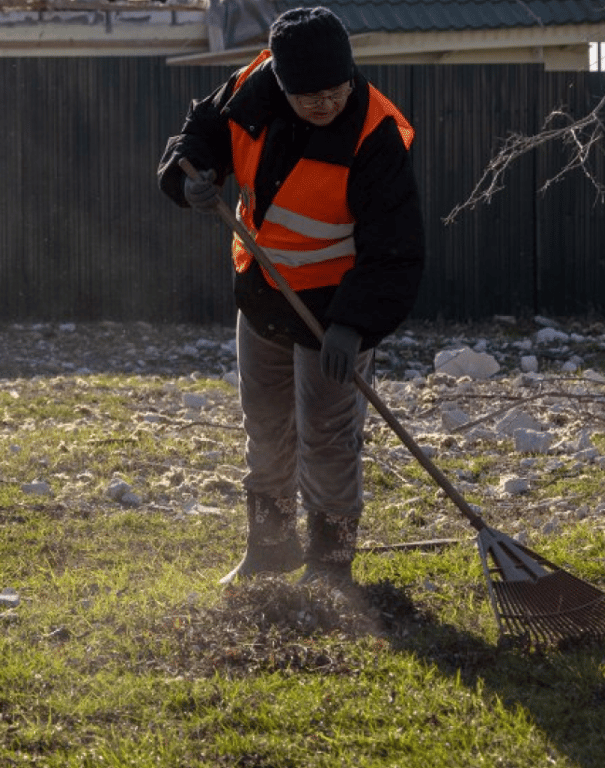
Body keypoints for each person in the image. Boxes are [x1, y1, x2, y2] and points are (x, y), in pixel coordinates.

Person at [157, 6, 425, 588]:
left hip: (334, 313)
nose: (326, 103)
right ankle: (271, 546)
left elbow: (395, 248)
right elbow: (194, 138)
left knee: (327, 435)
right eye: (311, 96)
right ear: (281, 84)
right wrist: (189, 179)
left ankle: (331, 564)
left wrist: (354, 326)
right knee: (267, 424)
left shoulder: (374, 135)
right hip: (263, 296)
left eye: (337, 90)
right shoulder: (248, 97)